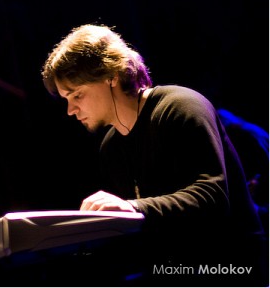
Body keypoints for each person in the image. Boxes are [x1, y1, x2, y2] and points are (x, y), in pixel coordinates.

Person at [42, 24, 268, 287]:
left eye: (77, 95)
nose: (70, 110)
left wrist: (132, 207)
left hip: (231, 266)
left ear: (110, 76)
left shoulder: (181, 107)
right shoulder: (111, 148)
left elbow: (213, 197)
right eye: (66, 99)